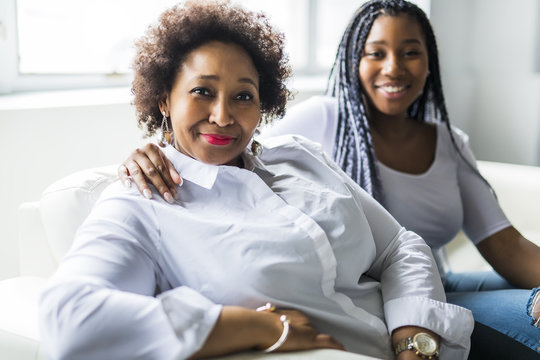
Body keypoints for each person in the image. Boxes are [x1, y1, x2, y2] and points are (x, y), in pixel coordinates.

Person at [39, 1, 474, 359]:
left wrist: (415, 341)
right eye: (202, 91)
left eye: (243, 96)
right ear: (163, 101)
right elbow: (69, 319)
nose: (224, 116)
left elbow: (400, 247)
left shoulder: (300, 157)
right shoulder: (142, 202)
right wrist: (257, 327)